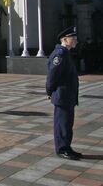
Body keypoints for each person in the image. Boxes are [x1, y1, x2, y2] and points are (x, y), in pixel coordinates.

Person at [46, 26, 81, 160]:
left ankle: (67, 146)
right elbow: (52, 76)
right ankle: (61, 148)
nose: (76, 41)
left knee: (67, 124)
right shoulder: (59, 54)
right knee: (62, 124)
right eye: (73, 39)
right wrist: (49, 91)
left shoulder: (65, 53)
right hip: (62, 96)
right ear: (65, 40)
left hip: (68, 96)